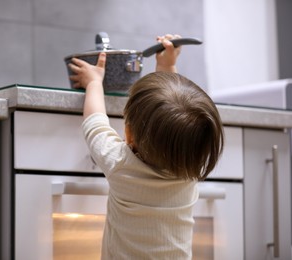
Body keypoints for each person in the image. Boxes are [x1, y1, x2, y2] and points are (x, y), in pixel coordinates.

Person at [68, 34, 224, 259]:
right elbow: (173, 116)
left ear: (128, 134)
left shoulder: (120, 163)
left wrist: (94, 82)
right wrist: (167, 65)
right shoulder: (189, 172)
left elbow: (95, 122)